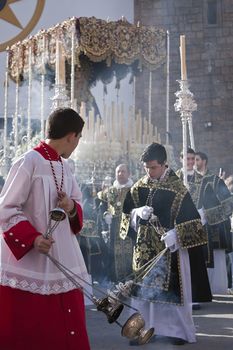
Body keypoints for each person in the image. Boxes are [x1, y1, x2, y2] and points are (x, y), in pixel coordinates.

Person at [0, 108, 90, 350]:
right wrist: (33, 238)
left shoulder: (65, 167)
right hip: (31, 263)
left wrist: (71, 206)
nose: (77, 144)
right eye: (79, 138)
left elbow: (77, 204)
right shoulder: (28, 161)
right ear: (72, 136)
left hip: (64, 259)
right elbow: (6, 209)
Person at [120, 143, 208, 345]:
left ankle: (175, 331)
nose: (148, 172)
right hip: (143, 252)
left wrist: (175, 235)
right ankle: (142, 330)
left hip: (170, 252)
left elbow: (194, 225)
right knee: (143, 294)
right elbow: (126, 216)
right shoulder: (139, 186)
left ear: (164, 164)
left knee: (171, 293)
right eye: (145, 168)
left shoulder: (178, 189)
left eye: (153, 167)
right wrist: (136, 213)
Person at [177, 148, 212, 308]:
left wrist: (203, 214)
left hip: (196, 225)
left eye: (193, 159)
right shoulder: (174, 178)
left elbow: (208, 200)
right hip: (177, 225)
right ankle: (178, 295)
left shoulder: (201, 179)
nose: (190, 162)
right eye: (187, 159)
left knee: (195, 261)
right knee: (178, 261)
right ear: (181, 159)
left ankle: (196, 296)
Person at [196, 155, 233, 295]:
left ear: (204, 161)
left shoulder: (215, 181)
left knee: (216, 263)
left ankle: (218, 290)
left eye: (197, 160)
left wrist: (208, 214)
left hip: (215, 229)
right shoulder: (190, 182)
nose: (194, 163)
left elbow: (229, 205)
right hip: (197, 229)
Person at [96, 164, 134, 284]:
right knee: (114, 253)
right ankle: (116, 280)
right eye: (118, 172)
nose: (120, 174)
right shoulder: (110, 190)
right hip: (114, 228)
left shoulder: (134, 190)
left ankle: (131, 280)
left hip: (130, 227)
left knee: (130, 252)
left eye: (123, 171)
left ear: (129, 174)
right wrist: (105, 215)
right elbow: (102, 206)